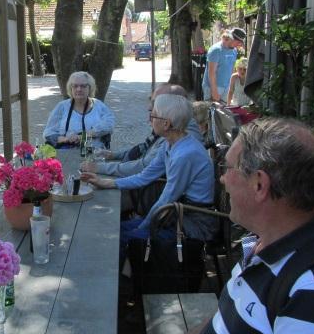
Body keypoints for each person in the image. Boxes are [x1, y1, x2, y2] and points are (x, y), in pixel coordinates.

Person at [143, 117, 314, 334]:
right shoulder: (265, 245)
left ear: (259, 184)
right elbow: (232, 314)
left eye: (228, 167)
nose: (222, 179)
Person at [81, 94, 217, 244]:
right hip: (178, 215)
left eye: (153, 116)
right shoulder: (170, 143)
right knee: (114, 231)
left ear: (166, 124)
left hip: (192, 224)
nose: (149, 119)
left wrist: (141, 227)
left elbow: (166, 200)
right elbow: (144, 175)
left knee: (119, 238)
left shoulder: (184, 155)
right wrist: (106, 183)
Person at [80, 83, 202, 177]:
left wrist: (99, 168)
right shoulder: (173, 124)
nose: (149, 107)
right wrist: (114, 155)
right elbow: (145, 148)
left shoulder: (177, 134)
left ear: (174, 103)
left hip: (150, 190)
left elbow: (143, 167)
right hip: (142, 181)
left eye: (155, 103)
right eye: (151, 101)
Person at [43, 71, 115, 149]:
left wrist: (82, 136)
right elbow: (48, 133)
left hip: (95, 153)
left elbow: (109, 125)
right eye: (75, 86)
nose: (79, 89)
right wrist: (66, 139)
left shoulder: (99, 106)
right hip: (67, 151)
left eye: (83, 86)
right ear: (71, 88)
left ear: (90, 88)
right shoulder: (62, 106)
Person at [202, 28, 245, 102]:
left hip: (226, 87)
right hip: (213, 87)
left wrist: (232, 86)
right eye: (238, 42)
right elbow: (211, 73)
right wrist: (214, 92)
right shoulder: (216, 50)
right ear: (231, 38)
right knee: (212, 112)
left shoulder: (234, 50)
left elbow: (231, 68)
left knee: (225, 111)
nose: (240, 45)